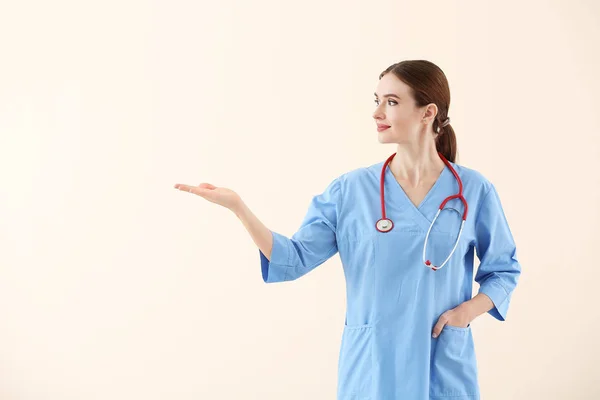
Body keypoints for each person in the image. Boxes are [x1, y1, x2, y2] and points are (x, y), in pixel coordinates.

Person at [174, 59, 521, 400]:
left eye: (392, 102)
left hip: (439, 360)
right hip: (372, 365)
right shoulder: (351, 191)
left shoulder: (474, 190)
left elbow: (503, 270)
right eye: (377, 100)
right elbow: (293, 259)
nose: (377, 112)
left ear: (427, 112)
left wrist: (465, 313)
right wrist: (239, 207)